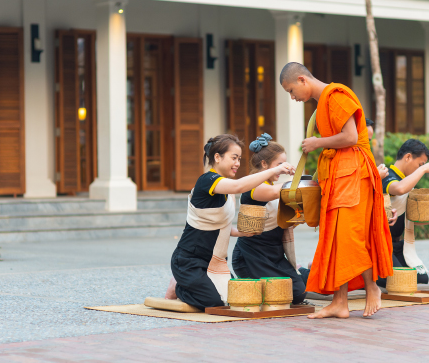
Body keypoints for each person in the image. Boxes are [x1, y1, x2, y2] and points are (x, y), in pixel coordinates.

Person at [280, 62, 392, 319]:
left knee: (349, 234)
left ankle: (372, 286)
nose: (292, 97)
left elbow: (350, 137)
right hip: (338, 174)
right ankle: (340, 301)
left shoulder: (336, 95)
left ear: (302, 79)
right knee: (335, 238)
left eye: (291, 90)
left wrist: (317, 142)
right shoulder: (322, 105)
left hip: (353, 171)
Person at [165, 134, 295, 310]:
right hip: (188, 260)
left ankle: (193, 284)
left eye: (239, 159)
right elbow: (239, 186)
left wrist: (242, 232)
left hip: (212, 260)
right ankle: (179, 286)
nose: (237, 163)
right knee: (213, 302)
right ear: (217, 157)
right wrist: (274, 170)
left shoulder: (226, 188)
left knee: (234, 299)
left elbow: (221, 226)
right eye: (234, 158)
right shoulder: (207, 181)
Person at [231, 134, 310, 305]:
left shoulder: (274, 186)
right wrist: (297, 180)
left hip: (273, 253)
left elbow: (281, 222)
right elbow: (276, 193)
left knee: (299, 290)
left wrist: (296, 219)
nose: (283, 168)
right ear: (265, 164)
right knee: (295, 294)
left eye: (284, 163)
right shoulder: (254, 187)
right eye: (279, 164)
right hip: (251, 256)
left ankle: (303, 271)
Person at [379, 139, 429, 286]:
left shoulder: (406, 181)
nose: (420, 168)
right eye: (420, 164)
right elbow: (399, 189)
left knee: (421, 279)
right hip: (381, 245)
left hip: (396, 246)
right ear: (408, 157)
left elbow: (411, 217)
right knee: (400, 281)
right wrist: (424, 169)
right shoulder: (387, 176)